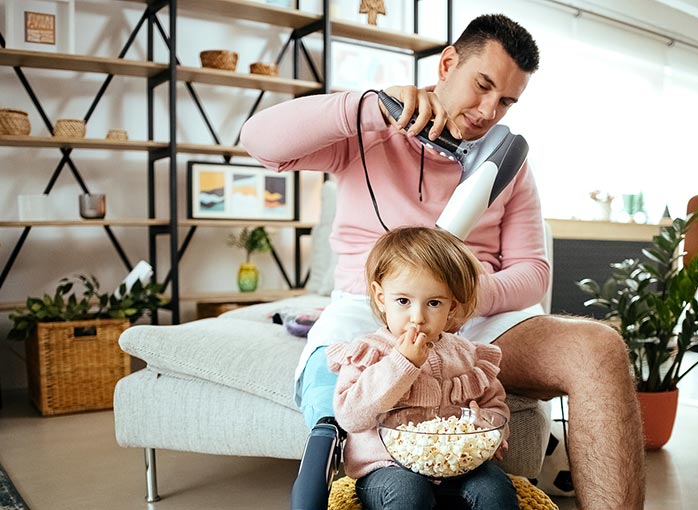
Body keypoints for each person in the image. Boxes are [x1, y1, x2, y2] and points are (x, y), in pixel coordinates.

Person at [241, 13, 645, 510]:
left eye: (506, 101)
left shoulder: (509, 166)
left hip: (480, 319)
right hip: (372, 310)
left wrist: (464, 294)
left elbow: (533, 273)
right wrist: (366, 108)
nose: (488, 110)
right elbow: (258, 142)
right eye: (482, 85)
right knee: (335, 388)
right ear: (448, 63)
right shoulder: (367, 133)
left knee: (600, 347)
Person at [326, 226, 517, 509]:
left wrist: (488, 427)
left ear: (451, 306)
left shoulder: (467, 355)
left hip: (458, 467)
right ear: (381, 297)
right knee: (409, 493)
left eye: (434, 303)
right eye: (403, 301)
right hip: (386, 468)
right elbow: (351, 417)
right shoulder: (369, 352)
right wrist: (401, 364)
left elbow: (495, 406)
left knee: (495, 490)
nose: (418, 317)